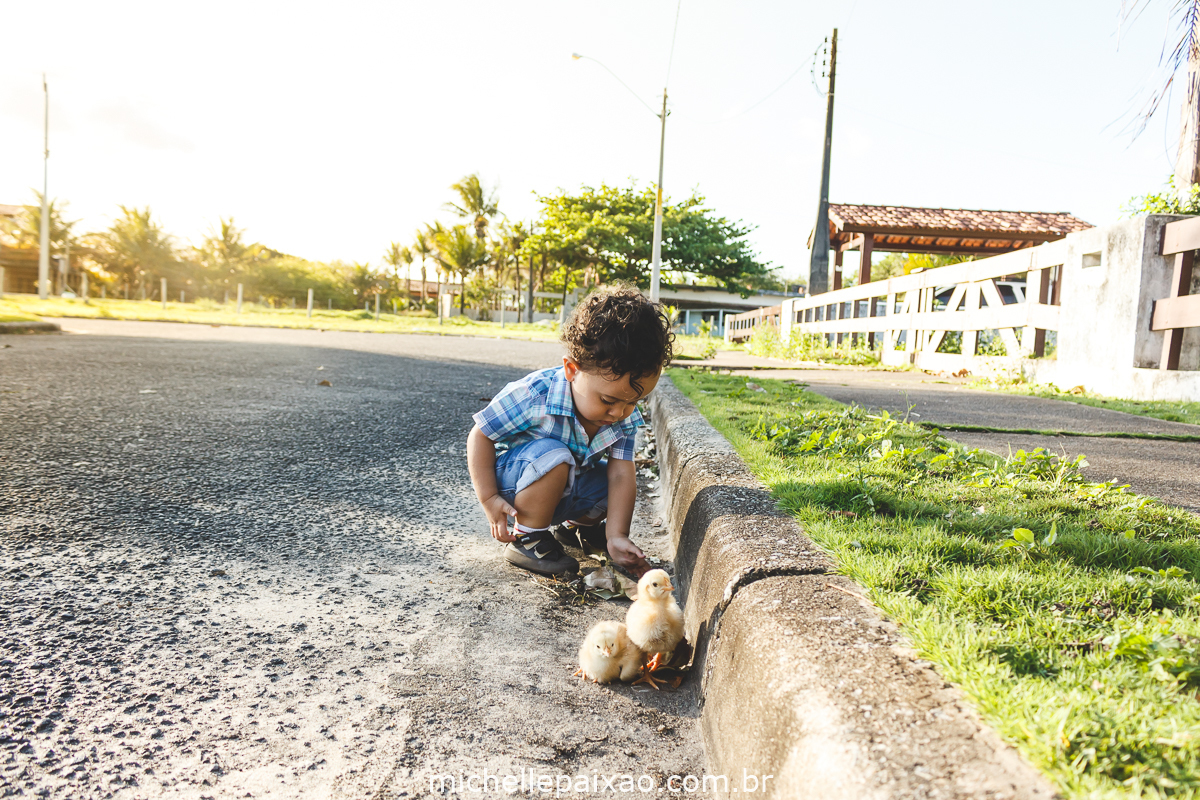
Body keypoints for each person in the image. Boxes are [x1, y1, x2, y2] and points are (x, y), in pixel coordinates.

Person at [466, 285, 674, 578]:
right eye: (608, 400)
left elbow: (620, 474)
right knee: (556, 454)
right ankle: (528, 539)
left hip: (563, 488)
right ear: (571, 369)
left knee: (611, 481)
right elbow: (481, 433)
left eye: (634, 401)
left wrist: (617, 534)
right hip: (515, 487)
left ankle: (578, 530)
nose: (620, 412)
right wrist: (488, 498)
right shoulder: (534, 395)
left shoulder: (623, 413)